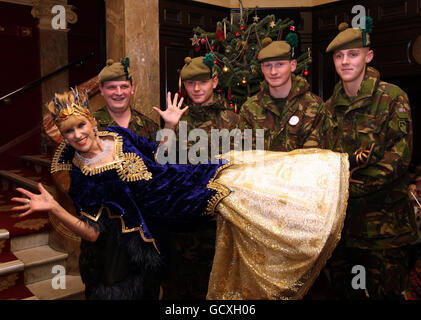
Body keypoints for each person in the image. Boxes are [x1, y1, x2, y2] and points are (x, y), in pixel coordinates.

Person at [11, 89, 350, 300]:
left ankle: (313, 210)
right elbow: (93, 233)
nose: (77, 135)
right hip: (171, 210)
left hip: (179, 179)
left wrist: (170, 126)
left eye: (81, 126)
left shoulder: (116, 133)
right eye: (68, 132)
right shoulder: (84, 177)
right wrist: (54, 208)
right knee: (235, 194)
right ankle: (297, 240)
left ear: (91, 122)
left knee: (244, 171)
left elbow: (158, 153)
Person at [323, 18, 419, 299]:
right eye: (339, 56)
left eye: (353, 54)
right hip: (343, 231)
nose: (345, 62)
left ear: (369, 56)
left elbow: (398, 160)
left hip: (385, 230)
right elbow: (327, 161)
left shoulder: (391, 98)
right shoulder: (329, 107)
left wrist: (348, 187)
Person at [162, 54, 242, 300]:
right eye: (189, 83)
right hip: (184, 223)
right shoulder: (177, 118)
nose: (196, 88)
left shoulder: (232, 120)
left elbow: (242, 170)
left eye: (202, 81)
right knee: (181, 289)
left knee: (219, 289)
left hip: (220, 222)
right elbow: (160, 164)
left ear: (215, 82)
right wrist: (168, 128)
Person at [238, 37, 325, 151]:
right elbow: (247, 156)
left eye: (280, 64)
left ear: (293, 65)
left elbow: (316, 157)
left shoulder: (314, 106)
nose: (273, 72)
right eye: (268, 65)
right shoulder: (250, 109)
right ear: (262, 69)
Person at [94, 57, 159, 141]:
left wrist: (170, 125)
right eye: (112, 87)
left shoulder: (149, 126)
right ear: (102, 90)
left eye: (124, 86)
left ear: (132, 88)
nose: (119, 93)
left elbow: (166, 153)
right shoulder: (89, 125)